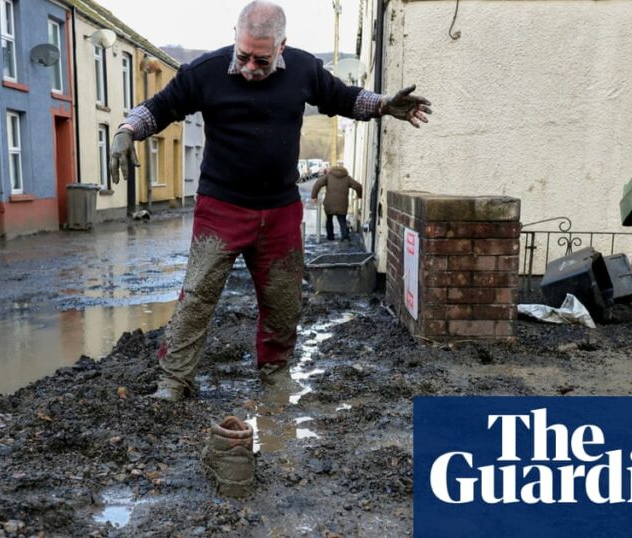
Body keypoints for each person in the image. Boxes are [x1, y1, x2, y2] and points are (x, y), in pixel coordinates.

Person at [109, 0, 431, 402]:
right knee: (197, 296)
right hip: (221, 208)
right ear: (235, 39)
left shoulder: (303, 69)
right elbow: (159, 108)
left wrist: (384, 105)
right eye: (243, 56)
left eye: (260, 60)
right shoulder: (205, 72)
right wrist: (126, 129)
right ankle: (174, 380)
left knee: (283, 300)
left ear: (282, 47)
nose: (249, 67)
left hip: (279, 210)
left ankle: (276, 372)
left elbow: (342, 97)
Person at [311, 166, 362, 241]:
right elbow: (358, 186)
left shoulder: (328, 176)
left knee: (329, 220)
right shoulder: (347, 178)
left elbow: (318, 183)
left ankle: (330, 237)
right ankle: (344, 237)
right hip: (342, 204)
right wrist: (359, 195)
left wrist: (314, 196)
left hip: (329, 203)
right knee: (342, 221)